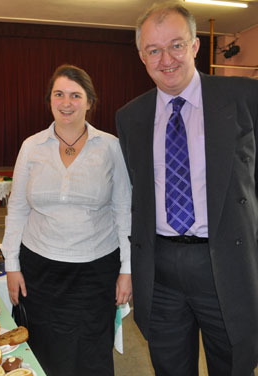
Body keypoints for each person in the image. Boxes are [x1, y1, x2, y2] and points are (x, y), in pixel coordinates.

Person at [116, 2, 258, 375]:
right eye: (154, 50)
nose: (166, 59)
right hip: (160, 272)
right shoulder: (130, 117)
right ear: (141, 56)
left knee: (232, 366)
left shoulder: (245, 98)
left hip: (225, 262)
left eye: (176, 45)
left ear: (195, 46)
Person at [2, 64, 132, 375]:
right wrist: (11, 265)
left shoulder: (112, 147)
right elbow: (17, 208)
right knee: (43, 349)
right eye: (59, 94)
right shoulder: (31, 147)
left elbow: (124, 211)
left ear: (90, 102)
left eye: (76, 95)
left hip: (96, 271)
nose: (66, 102)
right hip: (39, 271)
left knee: (92, 353)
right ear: (49, 100)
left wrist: (127, 269)